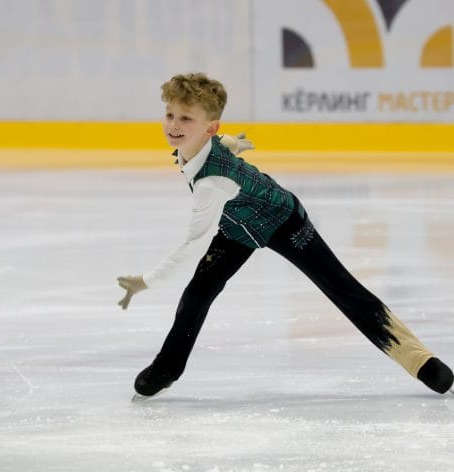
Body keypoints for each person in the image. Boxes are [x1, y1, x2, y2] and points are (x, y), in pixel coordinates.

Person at [117, 73, 454, 400]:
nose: (174, 125)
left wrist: (145, 282)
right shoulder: (199, 146)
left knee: (341, 287)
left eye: (186, 118)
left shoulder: (212, 184)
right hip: (239, 227)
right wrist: (236, 144)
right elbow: (221, 143)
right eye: (170, 115)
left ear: (210, 127)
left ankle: (422, 362)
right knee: (197, 294)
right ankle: (167, 368)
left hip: (283, 220)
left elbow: (194, 244)